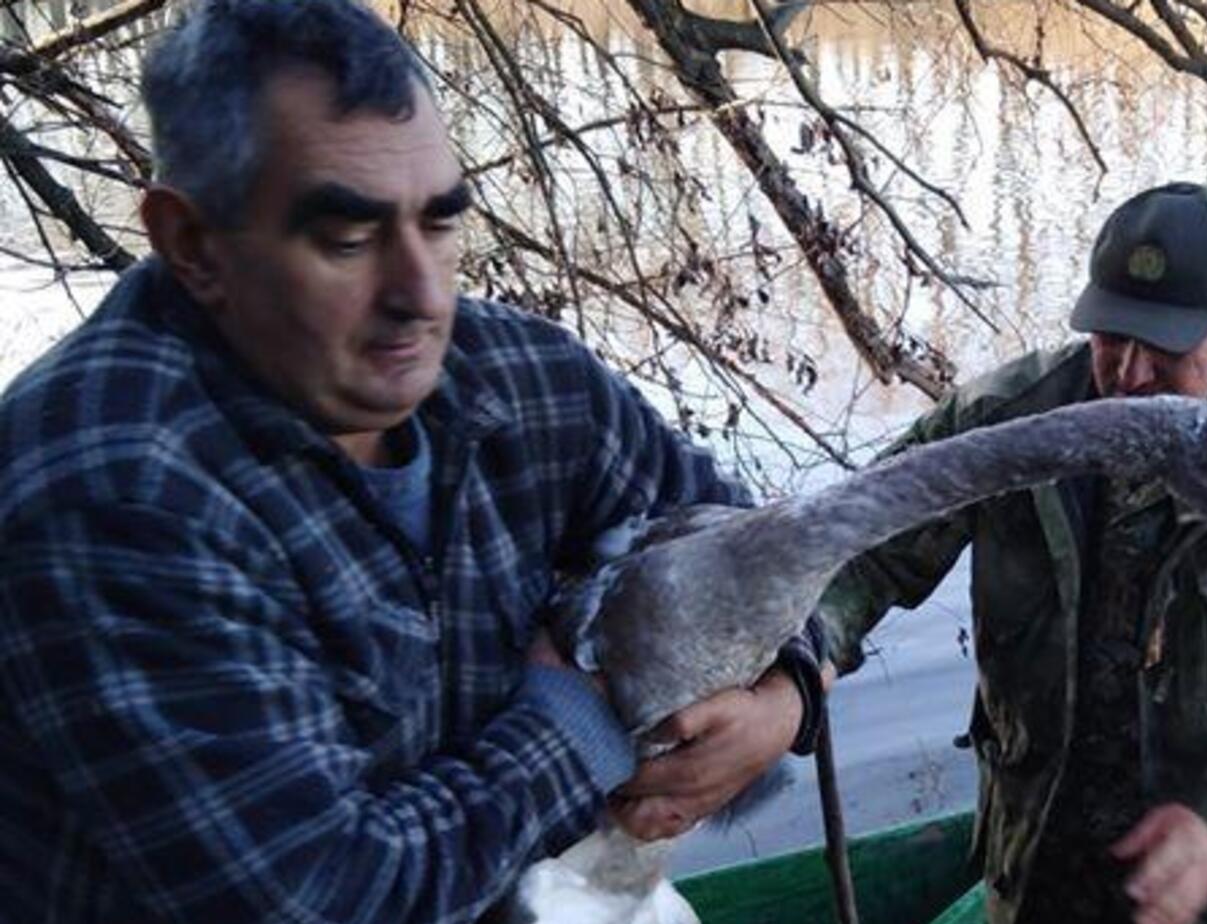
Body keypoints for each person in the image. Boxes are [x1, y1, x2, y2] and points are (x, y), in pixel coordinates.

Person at [0, 2, 825, 921]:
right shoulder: (114, 498)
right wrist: (580, 727)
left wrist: (785, 699)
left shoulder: (519, 377)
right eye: (348, 238)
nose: (424, 298)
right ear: (192, 245)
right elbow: (326, 901)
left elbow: (756, 548)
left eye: (438, 224)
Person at [816, 182, 1207, 924]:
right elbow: (862, 547)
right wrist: (809, 652)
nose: (1132, 375)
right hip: (1044, 869)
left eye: (1168, 346)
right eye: (1113, 336)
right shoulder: (1005, 422)